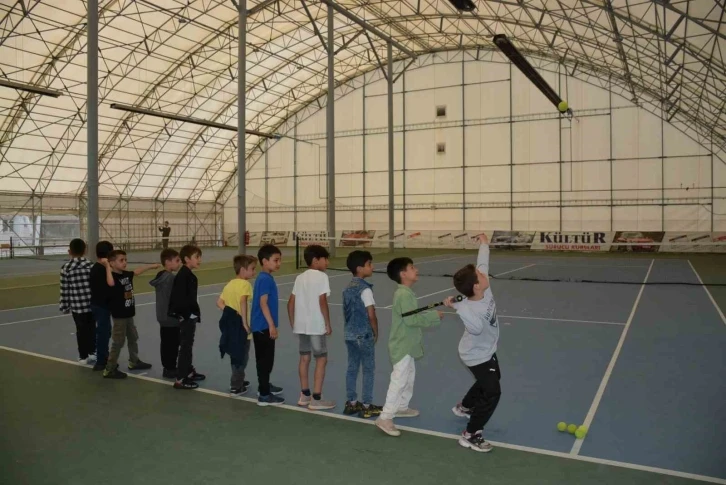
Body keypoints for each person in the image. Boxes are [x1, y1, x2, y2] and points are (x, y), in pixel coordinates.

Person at [444, 233, 501, 453]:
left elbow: (482, 264)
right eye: (479, 275)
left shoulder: (483, 288)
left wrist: (484, 244)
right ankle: (471, 433)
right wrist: (459, 308)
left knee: (492, 378)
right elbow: (476, 328)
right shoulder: (469, 309)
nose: (483, 273)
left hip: (486, 349)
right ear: (476, 286)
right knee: (493, 391)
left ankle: (465, 407)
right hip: (475, 354)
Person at [375, 257, 443, 437]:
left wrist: (435, 309)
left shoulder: (406, 293)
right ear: (403, 274)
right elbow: (411, 319)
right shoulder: (403, 294)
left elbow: (413, 314)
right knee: (399, 379)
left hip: (409, 344)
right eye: (412, 268)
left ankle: (401, 407)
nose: (416, 270)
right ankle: (385, 417)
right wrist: (434, 316)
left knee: (409, 377)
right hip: (402, 345)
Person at [287, 245, 335, 410]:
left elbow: (290, 303)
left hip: (302, 327)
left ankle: (304, 395)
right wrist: (327, 324)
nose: (327, 262)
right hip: (316, 326)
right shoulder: (322, 277)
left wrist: (294, 323)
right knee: (321, 358)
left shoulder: (299, 278)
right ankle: (316, 398)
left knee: (304, 358)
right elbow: (322, 301)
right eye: (325, 259)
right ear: (316, 260)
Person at [103, 250, 158, 379]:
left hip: (129, 314)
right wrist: (107, 266)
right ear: (112, 263)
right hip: (119, 316)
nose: (125, 262)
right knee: (118, 342)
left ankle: (134, 361)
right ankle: (109, 368)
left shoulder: (127, 274)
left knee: (133, 338)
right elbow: (110, 283)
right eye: (121, 260)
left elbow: (137, 271)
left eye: (125, 260)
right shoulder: (112, 277)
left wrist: (151, 266)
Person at [342, 250, 382, 418]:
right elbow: (371, 314)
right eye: (369, 264)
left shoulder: (347, 288)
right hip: (363, 335)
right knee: (368, 369)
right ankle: (366, 405)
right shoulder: (365, 290)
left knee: (352, 368)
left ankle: (351, 403)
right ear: (360, 268)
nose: (372, 267)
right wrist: (375, 331)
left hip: (349, 335)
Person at [218, 255, 257, 396]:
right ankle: (236, 386)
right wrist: (244, 323)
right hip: (241, 328)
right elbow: (242, 301)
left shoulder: (229, 284)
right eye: (252, 269)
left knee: (236, 354)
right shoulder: (245, 285)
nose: (254, 272)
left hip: (231, 326)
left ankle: (239, 379)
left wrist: (230, 313)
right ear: (242, 269)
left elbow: (219, 303)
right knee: (242, 357)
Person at [251, 244, 284, 406]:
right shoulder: (264, 279)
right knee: (265, 360)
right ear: (264, 261)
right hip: (263, 327)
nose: (278, 263)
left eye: (279, 260)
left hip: (261, 326)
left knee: (264, 360)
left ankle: (264, 385)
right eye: (275, 260)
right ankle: (264, 395)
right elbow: (263, 303)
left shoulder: (265, 277)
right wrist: (271, 325)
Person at [169, 244, 206, 389]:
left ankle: (188, 371)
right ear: (186, 259)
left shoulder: (189, 275)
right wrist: (185, 315)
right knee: (185, 347)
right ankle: (181, 378)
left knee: (188, 345)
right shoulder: (183, 276)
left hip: (190, 316)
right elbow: (178, 299)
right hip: (186, 317)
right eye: (197, 257)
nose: (199, 260)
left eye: (199, 257)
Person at [59, 238, 96, 365]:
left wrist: (64, 307)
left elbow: (64, 289)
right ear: (85, 250)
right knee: (92, 329)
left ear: (69, 251)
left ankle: (83, 356)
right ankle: (93, 352)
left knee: (81, 331)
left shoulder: (65, 268)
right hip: (92, 306)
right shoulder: (91, 265)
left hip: (77, 307)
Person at [149, 248, 182, 379]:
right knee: (172, 344)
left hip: (162, 316)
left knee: (166, 343)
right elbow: (175, 298)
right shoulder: (170, 278)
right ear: (168, 262)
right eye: (177, 260)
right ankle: (170, 368)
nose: (179, 263)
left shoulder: (161, 276)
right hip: (171, 316)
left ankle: (168, 367)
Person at [89, 241, 115, 371]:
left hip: (100, 305)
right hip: (101, 306)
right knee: (104, 333)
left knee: (105, 332)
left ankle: (103, 356)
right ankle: (101, 361)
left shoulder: (98, 268)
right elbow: (109, 287)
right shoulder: (101, 270)